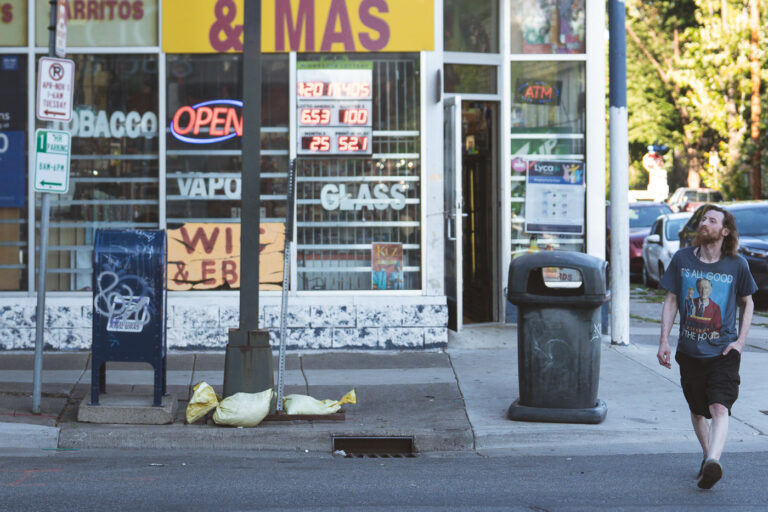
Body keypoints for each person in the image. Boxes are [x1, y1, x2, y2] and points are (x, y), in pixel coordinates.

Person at [657, 204, 757, 489]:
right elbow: (672, 300)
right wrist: (664, 340)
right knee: (697, 409)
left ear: (725, 231)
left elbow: (747, 302)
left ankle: (714, 460)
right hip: (689, 350)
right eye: (703, 219)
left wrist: (739, 341)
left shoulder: (737, 264)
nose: (704, 223)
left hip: (723, 350)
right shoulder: (683, 259)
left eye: (712, 220)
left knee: (719, 406)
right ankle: (707, 458)